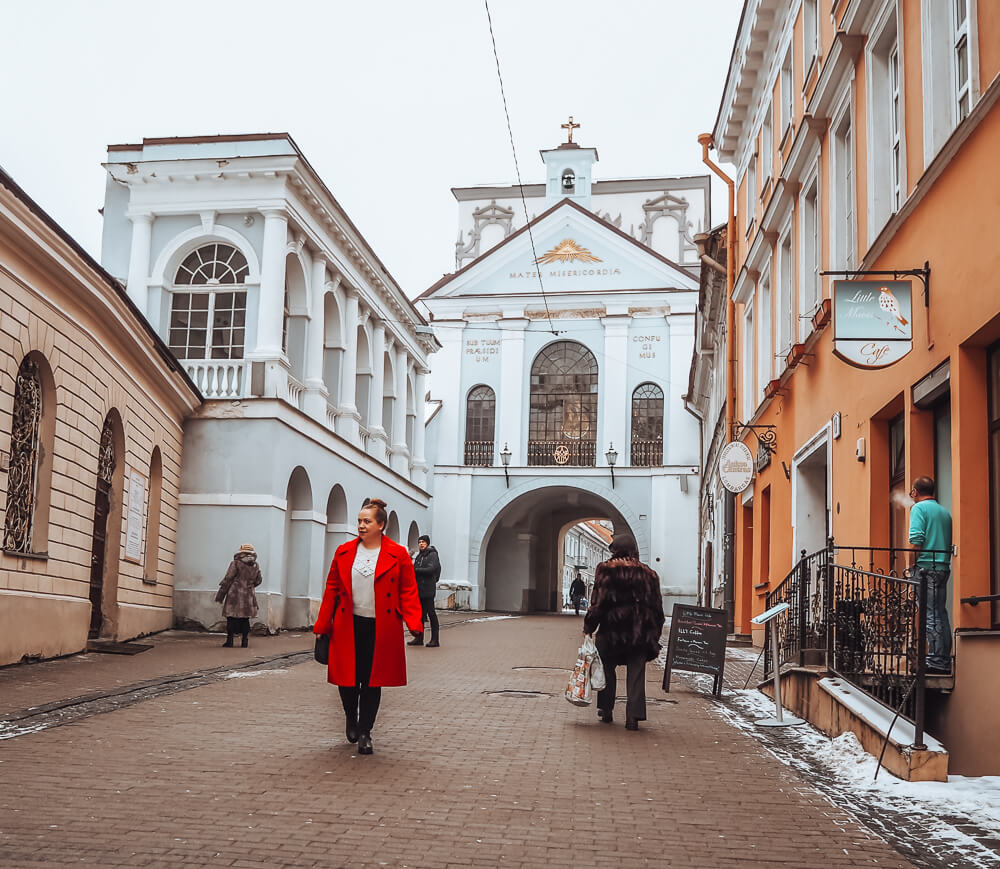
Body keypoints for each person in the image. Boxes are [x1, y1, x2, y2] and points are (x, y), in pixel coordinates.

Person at [313, 498, 423, 755]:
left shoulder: (398, 554)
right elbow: (331, 590)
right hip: (347, 625)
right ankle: (351, 717)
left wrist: (414, 621)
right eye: (360, 521)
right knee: (347, 679)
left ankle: (365, 732)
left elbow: (408, 590)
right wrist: (322, 624)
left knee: (373, 682)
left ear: (381, 525)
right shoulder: (343, 551)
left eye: (367, 521)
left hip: (382, 627)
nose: (361, 526)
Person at [583, 533, 665, 731]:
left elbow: (598, 604)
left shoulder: (605, 571)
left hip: (611, 632)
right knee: (636, 673)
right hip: (639, 633)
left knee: (607, 670)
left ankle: (606, 709)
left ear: (614, 550)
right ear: (634, 550)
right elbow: (657, 609)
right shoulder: (649, 574)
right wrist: (655, 633)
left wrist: (589, 627)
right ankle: (633, 716)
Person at [908, 476, 953, 673]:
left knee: (930, 615)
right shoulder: (944, 512)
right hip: (942, 567)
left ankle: (936, 662)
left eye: (912, 492)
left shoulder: (918, 508)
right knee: (940, 613)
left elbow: (916, 540)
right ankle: (942, 658)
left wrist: (910, 567)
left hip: (926, 568)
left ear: (915, 492)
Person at [215, 543, 263, 648]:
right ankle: (244, 641)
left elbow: (228, 578)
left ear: (240, 553)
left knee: (231, 618)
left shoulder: (236, 563)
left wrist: (221, 594)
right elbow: (259, 580)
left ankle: (230, 641)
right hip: (248, 595)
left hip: (235, 594)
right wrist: (250, 586)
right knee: (245, 619)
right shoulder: (255, 565)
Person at [410, 535, 441, 647]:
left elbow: (431, 569)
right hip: (419, 590)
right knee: (420, 616)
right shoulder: (419, 556)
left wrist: (416, 571)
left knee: (431, 614)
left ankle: (435, 639)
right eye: (419, 542)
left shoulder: (432, 555)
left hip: (428, 589)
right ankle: (419, 638)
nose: (421, 544)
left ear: (427, 543)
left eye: (423, 542)